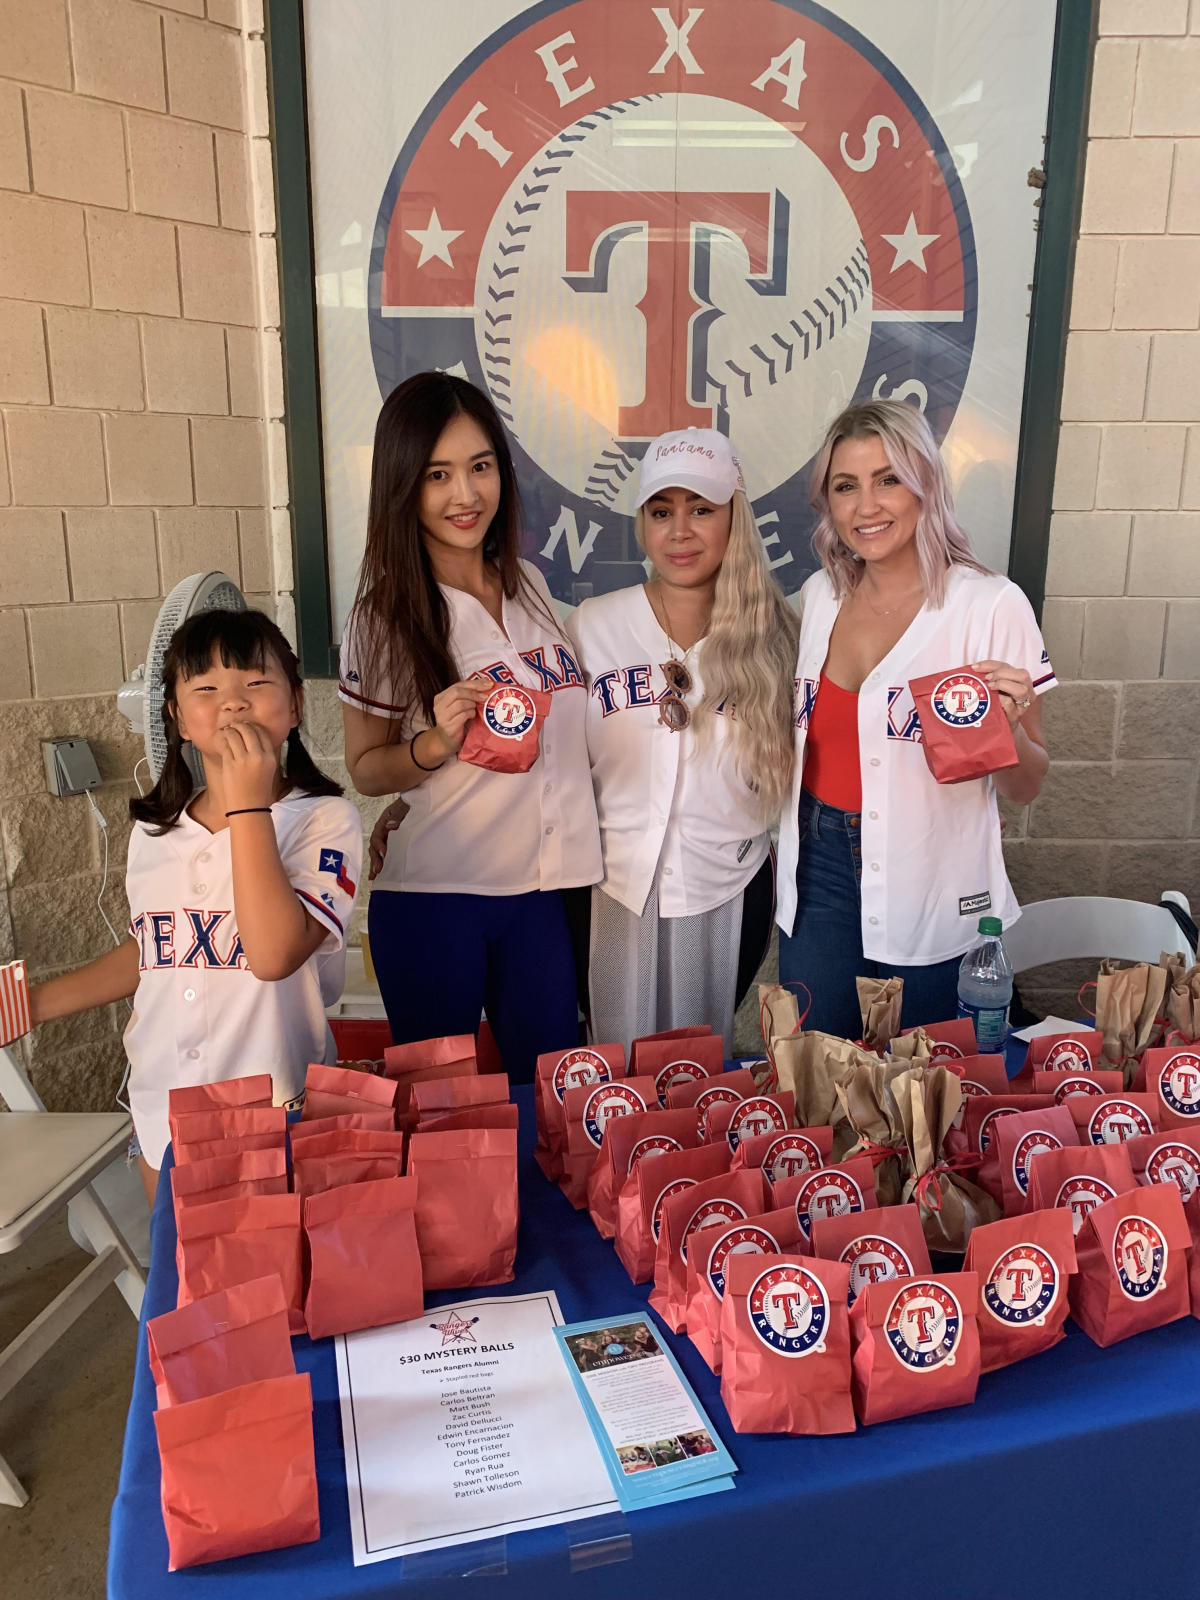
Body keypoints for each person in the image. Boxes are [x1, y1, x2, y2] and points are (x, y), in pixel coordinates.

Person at [26, 609, 362, 1206]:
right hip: (165, 1101)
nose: (232, 704)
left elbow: (274, 954)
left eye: (256, 684)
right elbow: (156, 951)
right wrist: (32, 1005)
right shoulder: (154, 834)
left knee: (270, 1278)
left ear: (295, 706)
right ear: (179, 719)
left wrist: (247, 807)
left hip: (276, 1104)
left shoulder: (324, 821)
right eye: (205, 689)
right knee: (180, 1277)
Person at [340, 371, 600, 1082]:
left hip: (544, 896)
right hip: (439, 900)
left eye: (480, 467)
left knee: (552, 1109)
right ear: (403, 486)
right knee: (444, 1127)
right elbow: (365, 766)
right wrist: (430, 748)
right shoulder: (385, 615)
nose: (466, 494)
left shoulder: (531, 585)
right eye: (438, 474)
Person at [776, 399, 1054, 1038]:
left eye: (888, 479)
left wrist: (1006, 729)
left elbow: (1027, 785)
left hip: (935, 875)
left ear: (925, 484)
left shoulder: (988, 604)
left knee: (927, 1091)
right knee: (821, 1070)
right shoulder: (820, 597)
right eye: (846, 486)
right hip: (817, 868)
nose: (866, 506)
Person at [567, 428, 798, 1054]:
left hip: (726, 888)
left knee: (699, 1074)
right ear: (642, 523)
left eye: (701, 509)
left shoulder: (780, 638)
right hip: (609, 888)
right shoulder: (595, 626)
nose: (680, 531)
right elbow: (553, 765)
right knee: (610, 1075)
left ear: (734, 519)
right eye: (661, 512)